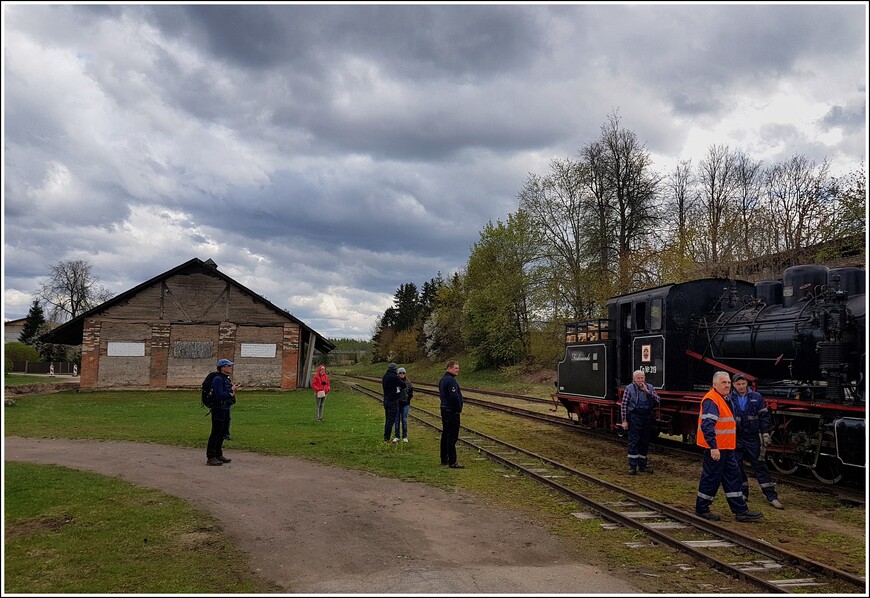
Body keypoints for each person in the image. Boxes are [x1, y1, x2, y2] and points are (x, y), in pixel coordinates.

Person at [695, 371, 763, 522]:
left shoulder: (725, 399)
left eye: (728, 382)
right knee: (711, 478)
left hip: (727, 447)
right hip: (717, 449)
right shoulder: (712, 400)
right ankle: (702, 508)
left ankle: (741, 510)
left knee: (733, 477)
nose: (727, 385)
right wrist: (713, 447)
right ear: (715, 385)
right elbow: (707, 426)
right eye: (723, 383)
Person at [728, 373, 783, 509]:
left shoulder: (756, 397)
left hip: (753, 438)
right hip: (737, 437)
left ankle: (771, 496)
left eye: (743, 384)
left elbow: (764, 416)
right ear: (734, 385)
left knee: (760, 466)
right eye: (738, 384)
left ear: (746, 383)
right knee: (736, 466)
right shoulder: (729, 398)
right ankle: (743, 493)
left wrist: (765, 433)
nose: (741, 387)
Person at [620, 370, 660, 475]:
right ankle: (632, 466)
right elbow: (624, 405)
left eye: (642, 378)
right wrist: (624, 420)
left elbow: (658, 400)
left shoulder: (650, 387)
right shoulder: (629, 389)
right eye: (638, 378)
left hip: (646, 417)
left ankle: (642, 465)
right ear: (634, 379)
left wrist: (647, 391)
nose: (640, 380)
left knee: (645, 441)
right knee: (633, 441)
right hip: (634, 417)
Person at [206, 358, 240, 466]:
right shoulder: (218, 379)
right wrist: (231, 390)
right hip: (218, 408)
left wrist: (232, 392)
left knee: (222, 432)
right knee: (216, 432)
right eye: (228, 366)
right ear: (223, 368)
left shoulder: (226, 379)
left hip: (225, 408)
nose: (230, 368)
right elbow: (219, 394)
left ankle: (218, 454)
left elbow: (227, 393)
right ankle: (210, 457)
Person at [438, 360, 464, 468]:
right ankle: (452, 461)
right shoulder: (451, 381)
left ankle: (444, 458)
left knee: (445, 434)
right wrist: (458, 407)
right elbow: (454, 396)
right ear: (449, 368)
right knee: (452, 436)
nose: (458, 370)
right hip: (451, 411)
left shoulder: (443, 380)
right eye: (456, 368)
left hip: (444, 408)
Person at [381, 362, 405, 443]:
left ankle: (386, 437)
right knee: (391, 421)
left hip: (386, 400)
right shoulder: (394, 377)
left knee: (387, 420)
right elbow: (403, 385)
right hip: (393, 401)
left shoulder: (385, 376)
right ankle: (387, 439)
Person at [396, 367, 414, 442]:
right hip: (397, 404)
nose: (402, 374)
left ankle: (405, 436)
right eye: (400, 373)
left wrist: (408, 400)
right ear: (398, 374)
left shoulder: (408, 383)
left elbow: (411, 393)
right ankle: (397, 436)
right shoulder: (395, 382)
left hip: (405, 404)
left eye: (403, 373)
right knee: (396, 420)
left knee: (404, 420)